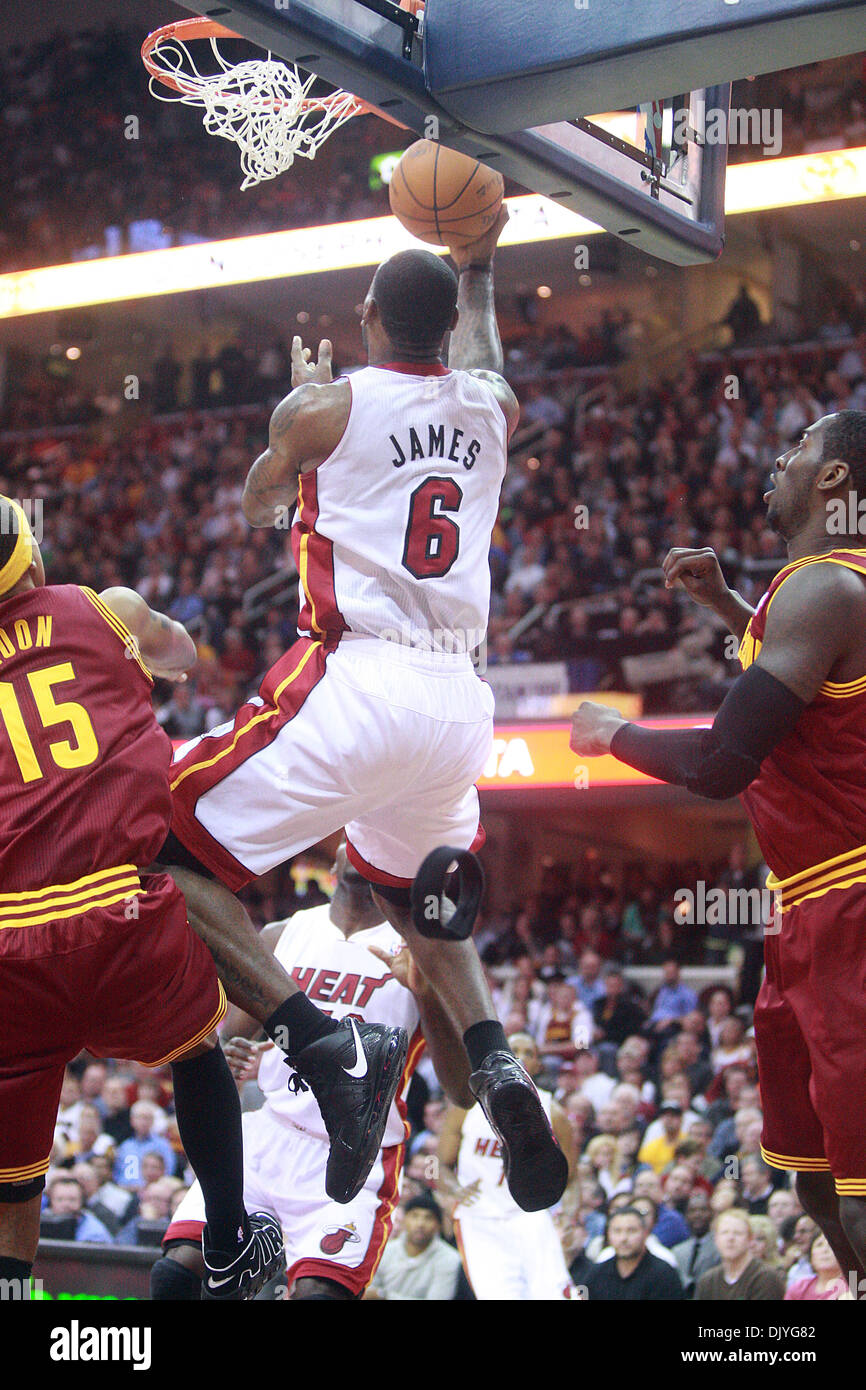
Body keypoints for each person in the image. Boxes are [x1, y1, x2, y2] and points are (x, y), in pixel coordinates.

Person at [161, 211, 568, 1214]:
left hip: (360, 677)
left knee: (158, 844)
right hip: (456, 699)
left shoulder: (327, 406)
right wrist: (478, 267)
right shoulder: (491, 407)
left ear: (368, 316)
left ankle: (324, 1045)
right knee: (413, 903)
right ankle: (496, 1061)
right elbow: (482, 349)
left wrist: (288, 434)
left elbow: (260, 507)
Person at [570, 409, 866, 1287]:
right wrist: (728, 605)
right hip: (801, 907)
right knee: (810, 1178)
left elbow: (721, 762)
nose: (779, 460)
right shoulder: (810, 593)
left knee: (857, 1190)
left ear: (837, 481)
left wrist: (614, 732)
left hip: (849, 900)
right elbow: (807, 698)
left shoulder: (829, 585)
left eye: (799, 450)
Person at [0, 498, 284, 1300]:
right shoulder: (99, 607)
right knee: (197, 1055)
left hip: (9, 938)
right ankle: (228, 1242)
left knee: (15, 1178)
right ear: (29, 556)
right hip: (110, 906)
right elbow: (184, 655)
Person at [153, 844, 473, 1300]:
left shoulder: (422, 951)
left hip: (355, 1157)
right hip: (266, 1135)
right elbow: (229, 1038)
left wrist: (427, 994)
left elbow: (461, 1089)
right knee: (174, 1275)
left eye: (376, 838)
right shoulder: (284, 933)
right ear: (336, 857)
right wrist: (231, 1052)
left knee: (320, 1295)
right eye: (354, 835)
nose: (362, 845)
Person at [436, 1033, 578, 1300]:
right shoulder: (465, 1106)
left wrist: (568, 1216)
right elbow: (441, 1165)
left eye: (530, 1052)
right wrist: (454, 1190)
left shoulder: (554, 1112)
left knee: (555, 1294)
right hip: (480, 1217)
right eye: (513, 1050)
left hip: (531, 1214)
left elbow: (571, 1180)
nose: (520, 1057)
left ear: (538, 1065)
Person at [365, 1192, 462, 1301]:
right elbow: (368, 1292)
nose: (420, 1223)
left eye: (428, 1218)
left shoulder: (449, 1258)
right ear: (404, 1220)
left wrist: (384, 1296)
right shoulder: (385, 1250)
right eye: (415, 1216)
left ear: (438, 1225)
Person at [583, 1207, 684, 1301]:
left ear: (645, 1233)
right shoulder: (597, 1274)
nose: (623, 1238)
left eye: (631, 1231)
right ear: (608, 1235)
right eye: (617, 1231)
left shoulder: (664, 1274)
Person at [694, 1208, 786, 1300]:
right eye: (724, 1233)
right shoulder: (708, 1281)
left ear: (750, 1239)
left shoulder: (766, 1278)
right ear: (715, 1239)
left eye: (737, 1233)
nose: (730, 1238)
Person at [671, 1190, 720, 1296]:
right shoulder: (677, 1251)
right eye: (692, 1211)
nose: (698, 1215)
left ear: (712, 1214)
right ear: (685, 1216)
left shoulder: (720, 1248)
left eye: (703, 1210)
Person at [785, 1232, 849, 1300]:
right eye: (819, 1245)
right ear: (811, 1256)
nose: (825, 1250)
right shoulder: (798, 1289)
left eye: (831, 1245)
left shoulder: (852, 1286)